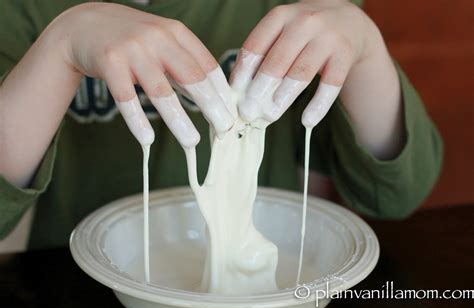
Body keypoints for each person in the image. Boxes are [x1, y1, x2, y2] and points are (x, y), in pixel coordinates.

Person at [0, 0, 443, 249]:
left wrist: (364, 45)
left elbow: (397, 192)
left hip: (271, 287)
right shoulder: (24, 12)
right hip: (89, 285)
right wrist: (62, 46)